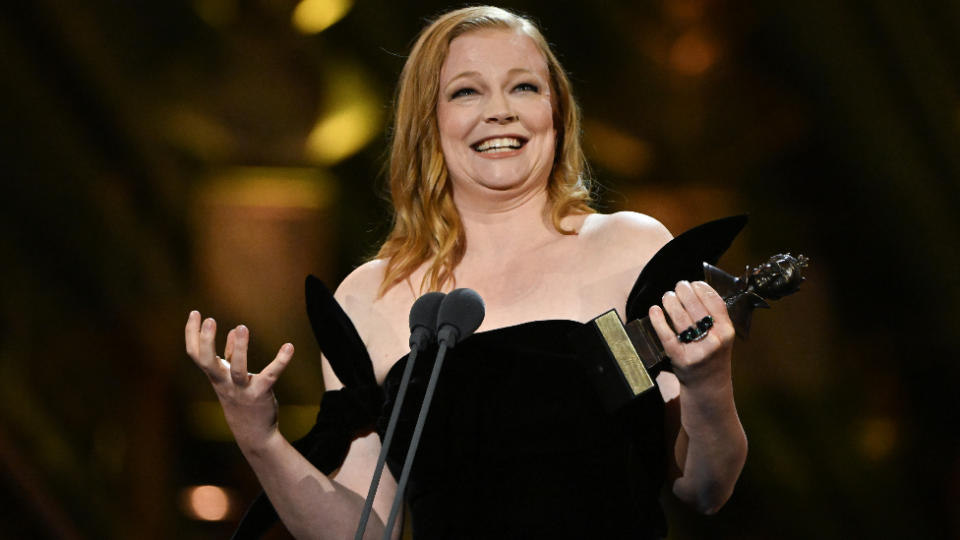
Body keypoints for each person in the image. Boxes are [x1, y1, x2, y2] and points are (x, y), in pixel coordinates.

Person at [185, 6, 747, 539]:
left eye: (524, 87)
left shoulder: (632, 248)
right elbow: (358, 530)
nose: (499, 109)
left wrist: (709, 380)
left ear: (557, 111)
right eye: (466, 91)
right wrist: (259, 438)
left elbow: (704, 489)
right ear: (429, 123)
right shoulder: (370, 296)